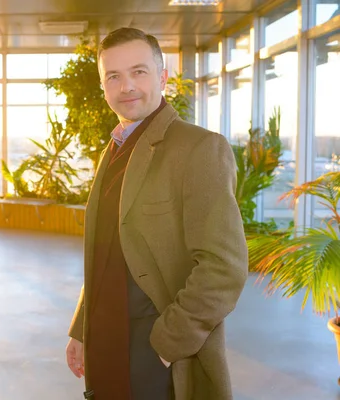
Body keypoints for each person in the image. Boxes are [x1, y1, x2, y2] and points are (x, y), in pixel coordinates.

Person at [65, 27, 248, 400]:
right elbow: (105, 250)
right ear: (104, 87)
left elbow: (223, 267)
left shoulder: (199, 149)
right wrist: (81, 330)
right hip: (105, 344)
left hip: (154, 353)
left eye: (139, 72)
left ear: (162, 77)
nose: (126, 86)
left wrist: (165, 346)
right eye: (113, 76)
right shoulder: (113, 149)